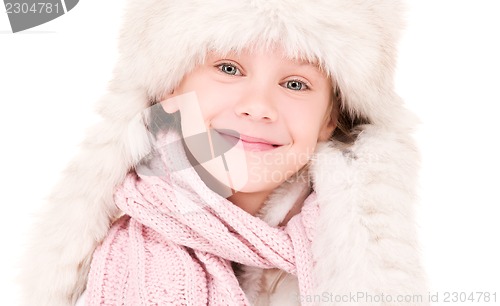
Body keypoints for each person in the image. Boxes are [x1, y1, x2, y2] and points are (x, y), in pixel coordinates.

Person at [18, 0, 429, 305]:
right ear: (168, 88)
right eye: (229, 69)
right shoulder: (106, 266)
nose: (258, 106)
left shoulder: (349, 267)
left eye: (296, 84)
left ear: (328, 119)